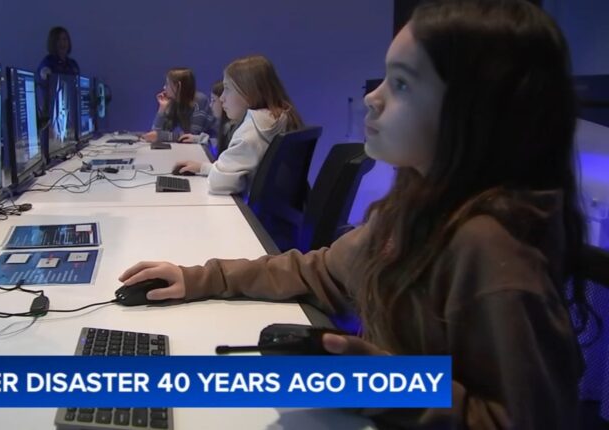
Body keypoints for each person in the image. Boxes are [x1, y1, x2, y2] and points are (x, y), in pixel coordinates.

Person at [119, 0, 591, 427]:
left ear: (477, 109)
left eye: (402, 83)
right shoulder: (411, 210)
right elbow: (319, 269)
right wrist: (200, 278)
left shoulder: (490, 248)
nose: (373, 96)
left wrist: (379, 382)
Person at [172, 55, 303, 195]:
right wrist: (203, 168)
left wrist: (214, 172)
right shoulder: (281, 117)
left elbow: (219, 184)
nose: (222, 98)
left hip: (247, 215)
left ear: (249, 92)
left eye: (227, 89)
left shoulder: (252, 130)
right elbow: (238, 171)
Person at [141, 68, 214, 143]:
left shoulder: (199, 101)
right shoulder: (175, 102)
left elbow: (192, 136)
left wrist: (160, 136)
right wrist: (162, 109)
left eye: (167, 84)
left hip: (212, 146)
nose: (164, 87)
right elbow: (155, 134)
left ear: (178, 86)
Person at [37, 26, 80, 116]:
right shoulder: (47, 63)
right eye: (58, 40)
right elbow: (44, 79)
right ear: (53, 43)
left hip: (72, 112)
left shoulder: (73, 65)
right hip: (53, 113)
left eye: (64, 39)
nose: (62, 43)